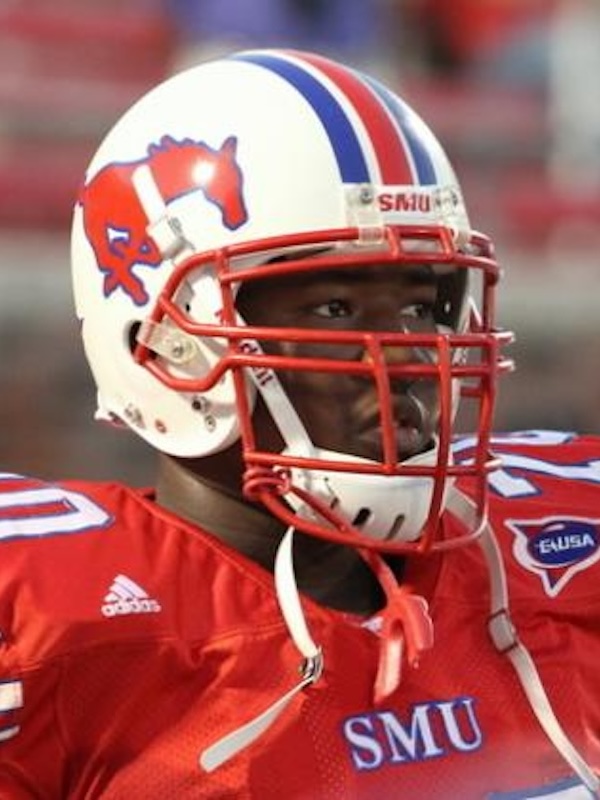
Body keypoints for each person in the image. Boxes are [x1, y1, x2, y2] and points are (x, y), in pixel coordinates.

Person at [0, 48, 598, 799]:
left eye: (420, 306)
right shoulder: (52, 624)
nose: (408, 355)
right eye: (335, 308)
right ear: (168, 344)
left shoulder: (556, 549)